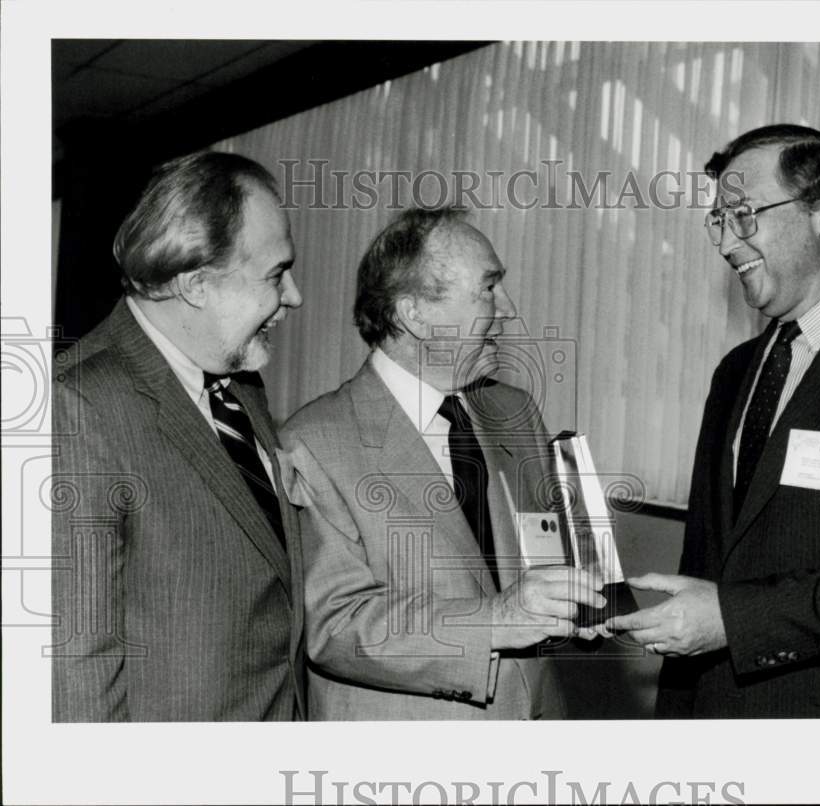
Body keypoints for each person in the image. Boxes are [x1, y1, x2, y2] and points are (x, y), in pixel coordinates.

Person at [606, 124, 820, 718]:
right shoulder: (736, 369)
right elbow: (707, 563)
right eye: (718, 221)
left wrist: (736, 621)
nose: (724, 242)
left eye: (742, 214)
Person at [279, 207, 604, 719]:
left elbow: (542, 551)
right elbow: (337, 625)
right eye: (489, 288)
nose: (509, 309)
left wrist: (585, 591)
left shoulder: (514, 410)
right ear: (415, 314)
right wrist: (496, 621)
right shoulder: (313, 443)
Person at [51, 151, 306, 721]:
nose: (294, 296)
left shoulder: (241, 384)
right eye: (274, 274)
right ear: (196, 284)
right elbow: (74, 684)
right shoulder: (73, 411)